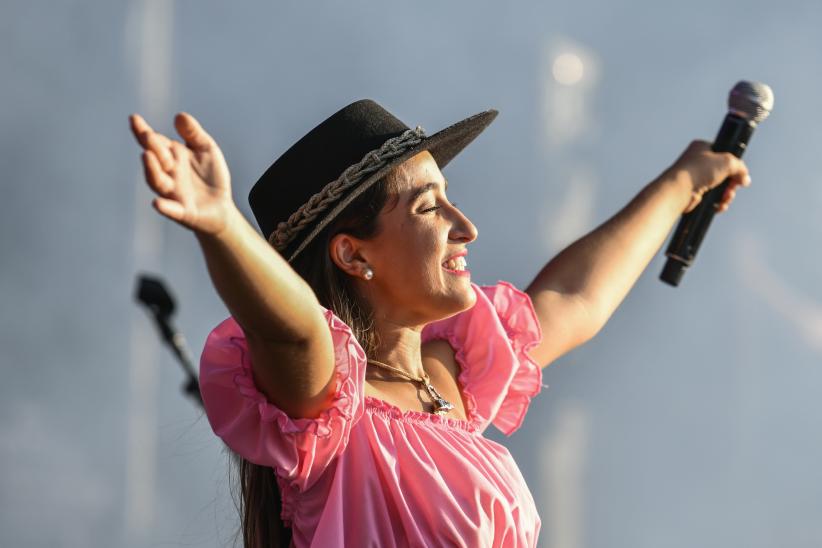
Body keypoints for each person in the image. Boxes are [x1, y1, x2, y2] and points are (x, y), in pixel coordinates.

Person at [129, 99, 749, 547]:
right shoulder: (327, 407)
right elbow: (294, 329)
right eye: (428, 206)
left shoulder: (449, 376)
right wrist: (220, 225)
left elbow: (571, 299)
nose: (465, 226)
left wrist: (683, 182)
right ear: (353, 254)